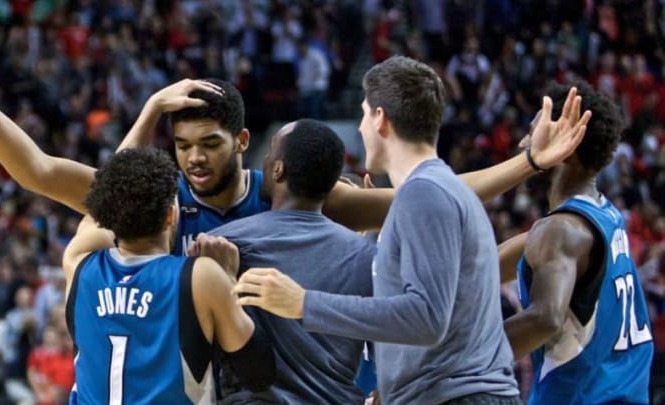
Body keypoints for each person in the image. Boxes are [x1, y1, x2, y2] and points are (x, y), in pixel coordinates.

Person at [0, 9, 587, 256]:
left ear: (245, 141)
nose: (194, 159)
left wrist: (529, 161)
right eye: (183, 146)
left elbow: (427, 196)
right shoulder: (158, 198)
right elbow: (35, 169)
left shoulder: (292, 193)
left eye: (209, 144)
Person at [231, 56, 590, 404]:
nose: (359, 128)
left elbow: (426, 318)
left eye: (362, 115)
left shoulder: (425, 193)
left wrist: (303, 303)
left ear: (380, 119)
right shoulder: (438, 192)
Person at [60, 146, 273, 403]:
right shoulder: (201, 276)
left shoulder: (78, 261)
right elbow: (259, 373)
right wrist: (229, 279)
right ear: (172, 215)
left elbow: (97, 206)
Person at [190, 119, 376, 404]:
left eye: (270, 152)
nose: (264, 159)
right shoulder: (366, 255)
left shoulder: (222, 244)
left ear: (278, 170)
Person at [502, 82, 654, 404]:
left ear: (564, 145)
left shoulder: (561, 230)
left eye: (533, 132)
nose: (523, 142)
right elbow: (487, 262)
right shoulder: (605, 215)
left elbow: (546, 318)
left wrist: (452, 360)